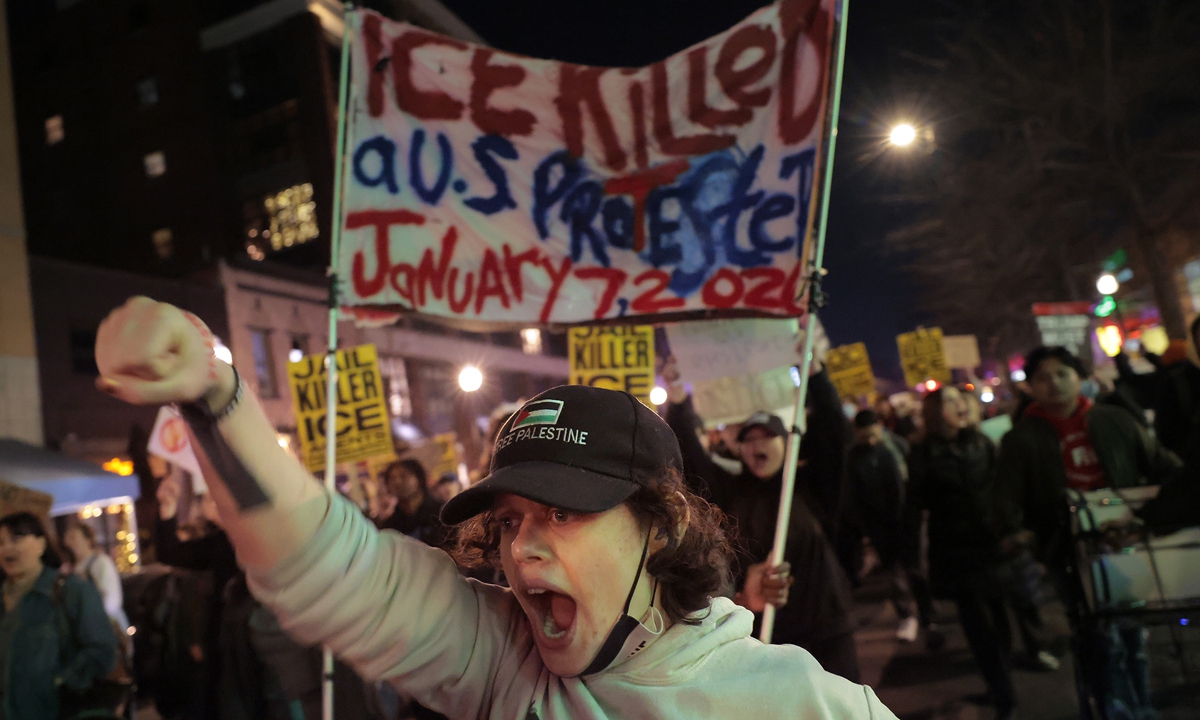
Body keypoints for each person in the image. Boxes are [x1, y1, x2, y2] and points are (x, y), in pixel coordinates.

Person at [93, 296, 897, 719]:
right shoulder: (506, 665)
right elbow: (329, 568)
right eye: (510, 520)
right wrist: (214, 392)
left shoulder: (807, 705)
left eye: (565, 512)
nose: (522, 550)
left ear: (665, 526)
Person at [996, 346, 1182, 720]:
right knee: (1096, 636)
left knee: (1132, 632)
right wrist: (1019, 535)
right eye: (1043, 378)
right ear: (1031, 387)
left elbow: (1164, 467)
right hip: (1065, 551)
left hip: (1123, 543)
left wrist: (1163, 509)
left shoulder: (1116, 420)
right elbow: (1006, 501)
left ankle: (1141, 705)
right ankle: (1114, 706)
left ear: (1079, 377)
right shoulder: (1019, 440)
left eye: (1062, 374)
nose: (1054, 384)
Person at [662, 360, 861, 682]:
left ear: (787, 443)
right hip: (766, 632)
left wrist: (817, 376)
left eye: (768, 436)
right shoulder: (730, 493)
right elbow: (690, 458)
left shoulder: (811, 487)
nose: (759, 444)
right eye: (750, 439)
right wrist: (678, 401)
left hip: (827, 629)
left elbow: (834, 433)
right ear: (740, 449)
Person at [903, 387, 1026, 720]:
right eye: (950, 402)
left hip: (993, 544)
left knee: (1000, 619)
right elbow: (913, 506)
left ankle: (1001, 683)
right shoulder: (923, 453)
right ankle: (1003, 695)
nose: (959, 406)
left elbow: (1004, 488)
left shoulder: (982, 442)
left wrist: (1013, 528)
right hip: (956, 551)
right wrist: (911, 557)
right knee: (978, 626)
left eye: (960, 400)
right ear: (933, 413)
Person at [1, 512, 117, 720]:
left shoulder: (71, 591)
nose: (7, 548)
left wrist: (60, 682)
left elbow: (102, 650)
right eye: (0, 543)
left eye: (16, 539)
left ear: (41, 544)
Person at [155, 476, 239, 720]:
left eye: (213, 497)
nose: (207, 502)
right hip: (221, 646)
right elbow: (172, 552)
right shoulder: (221, 542)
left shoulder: (257, 536)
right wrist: (167, 510)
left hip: (251, 644)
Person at [847, 410, 934, 644]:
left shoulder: (898, 446)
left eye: (872, 435)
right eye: (864, 437)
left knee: (917, 569)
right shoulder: (855, 457)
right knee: (895, 573)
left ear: (880, 425)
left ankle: (927, 615)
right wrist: (864, 527)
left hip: (909, 520)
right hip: (880, 525)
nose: (870, 441)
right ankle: (907, 615)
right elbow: (854, 495)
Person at [61, 521, 131, 632]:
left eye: (73, 538)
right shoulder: (70, 569)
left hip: (105, 625)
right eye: (68, 538)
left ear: (87, 540)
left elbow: (111, 600)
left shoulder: (101, 562)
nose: (69, 543)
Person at [375, 459, 449, 549]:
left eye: (404, 476)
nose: (397, 482)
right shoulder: (390, 527)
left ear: (419, 478)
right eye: (392, 478)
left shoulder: (444, 514)